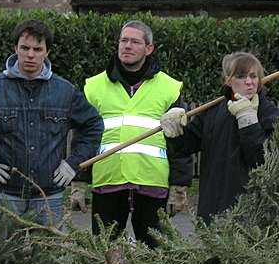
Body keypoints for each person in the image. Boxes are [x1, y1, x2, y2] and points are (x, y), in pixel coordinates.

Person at [0, 19, 103, 229]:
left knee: (53, 260)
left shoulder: (64, 92)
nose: (31, 55)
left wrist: (73, 163)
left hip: (50, 198)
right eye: (25, 48)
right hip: (7, 196)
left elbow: (93, 124)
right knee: (5, 258)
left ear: (47, 52)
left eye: (38, 49)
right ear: (15, 49)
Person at [69, 20, 193, 247]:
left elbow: (179, 142)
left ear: (149, 48)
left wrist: (179, 186)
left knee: (156, 255)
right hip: (108, 182)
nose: (127, 46)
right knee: (104, 253)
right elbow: (83, 139)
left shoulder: (168, 88)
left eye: (135, 41)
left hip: (152, 184)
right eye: (123, 40)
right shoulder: (95, 87)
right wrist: (78, 183)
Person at [160, 51, 279, 224]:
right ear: (228, 80)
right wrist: (175, 130)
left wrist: (248, 120)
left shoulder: (268, 113)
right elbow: (182, 148)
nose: (249, 82)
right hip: (212, 210)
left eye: (254, 76)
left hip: (252, 214)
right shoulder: (212, 111)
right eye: (241, 76)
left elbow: (263, 160)